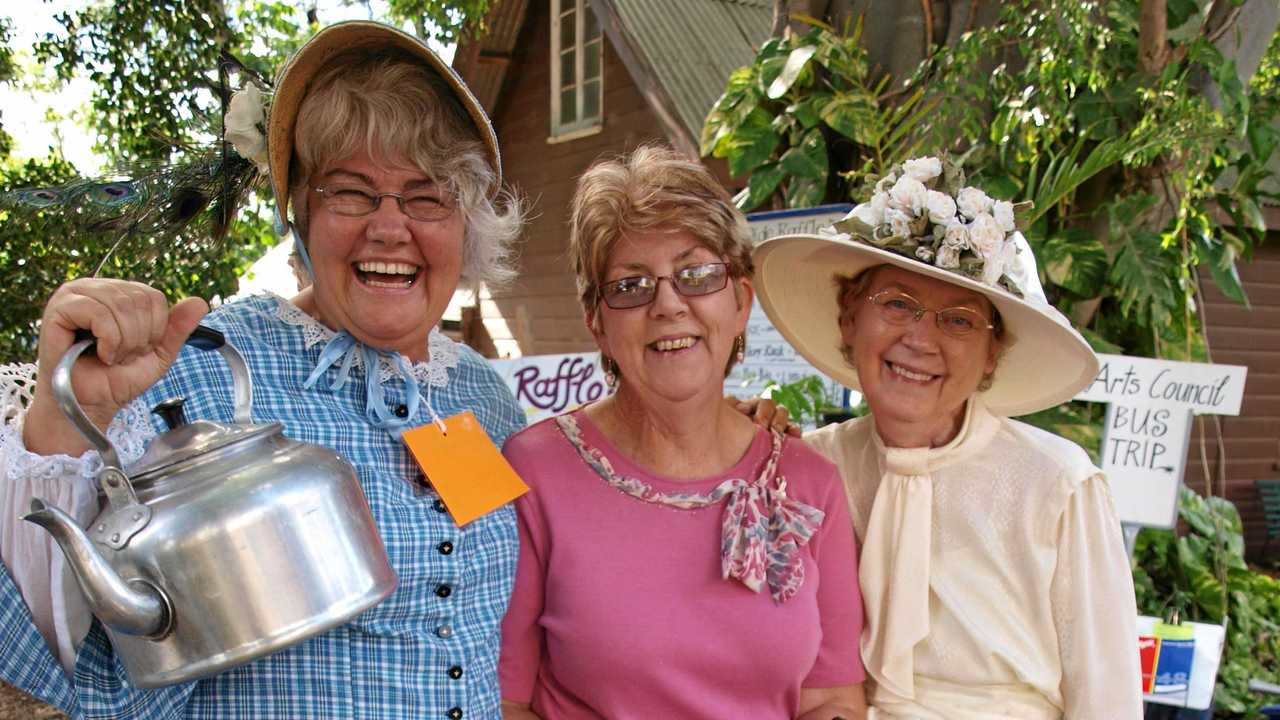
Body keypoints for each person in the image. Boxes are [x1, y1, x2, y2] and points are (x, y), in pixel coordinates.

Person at [0, 21, 525, 719]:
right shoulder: (196, 370)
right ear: (300, 215)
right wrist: (73, 423)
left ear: (467, 226)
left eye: (428, 196)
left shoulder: (484, 396)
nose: (390, 227)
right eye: (351, 191)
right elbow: (57, 636)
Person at [748, 156, 1143, 719]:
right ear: (848, 320)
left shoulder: (1057, 482)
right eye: (897, 304)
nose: (920, 339)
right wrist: (734, 443)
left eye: (958, 320)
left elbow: (1107, 696)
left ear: (991, 356)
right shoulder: (813, 467)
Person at [497, 146, 867, 720]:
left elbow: (832, 699)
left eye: (696, 275)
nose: (668, 304)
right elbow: (505, 699)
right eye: (630, 285)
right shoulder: (534, 472)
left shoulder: (811, 482)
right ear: (596, 320)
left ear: (741, 300)